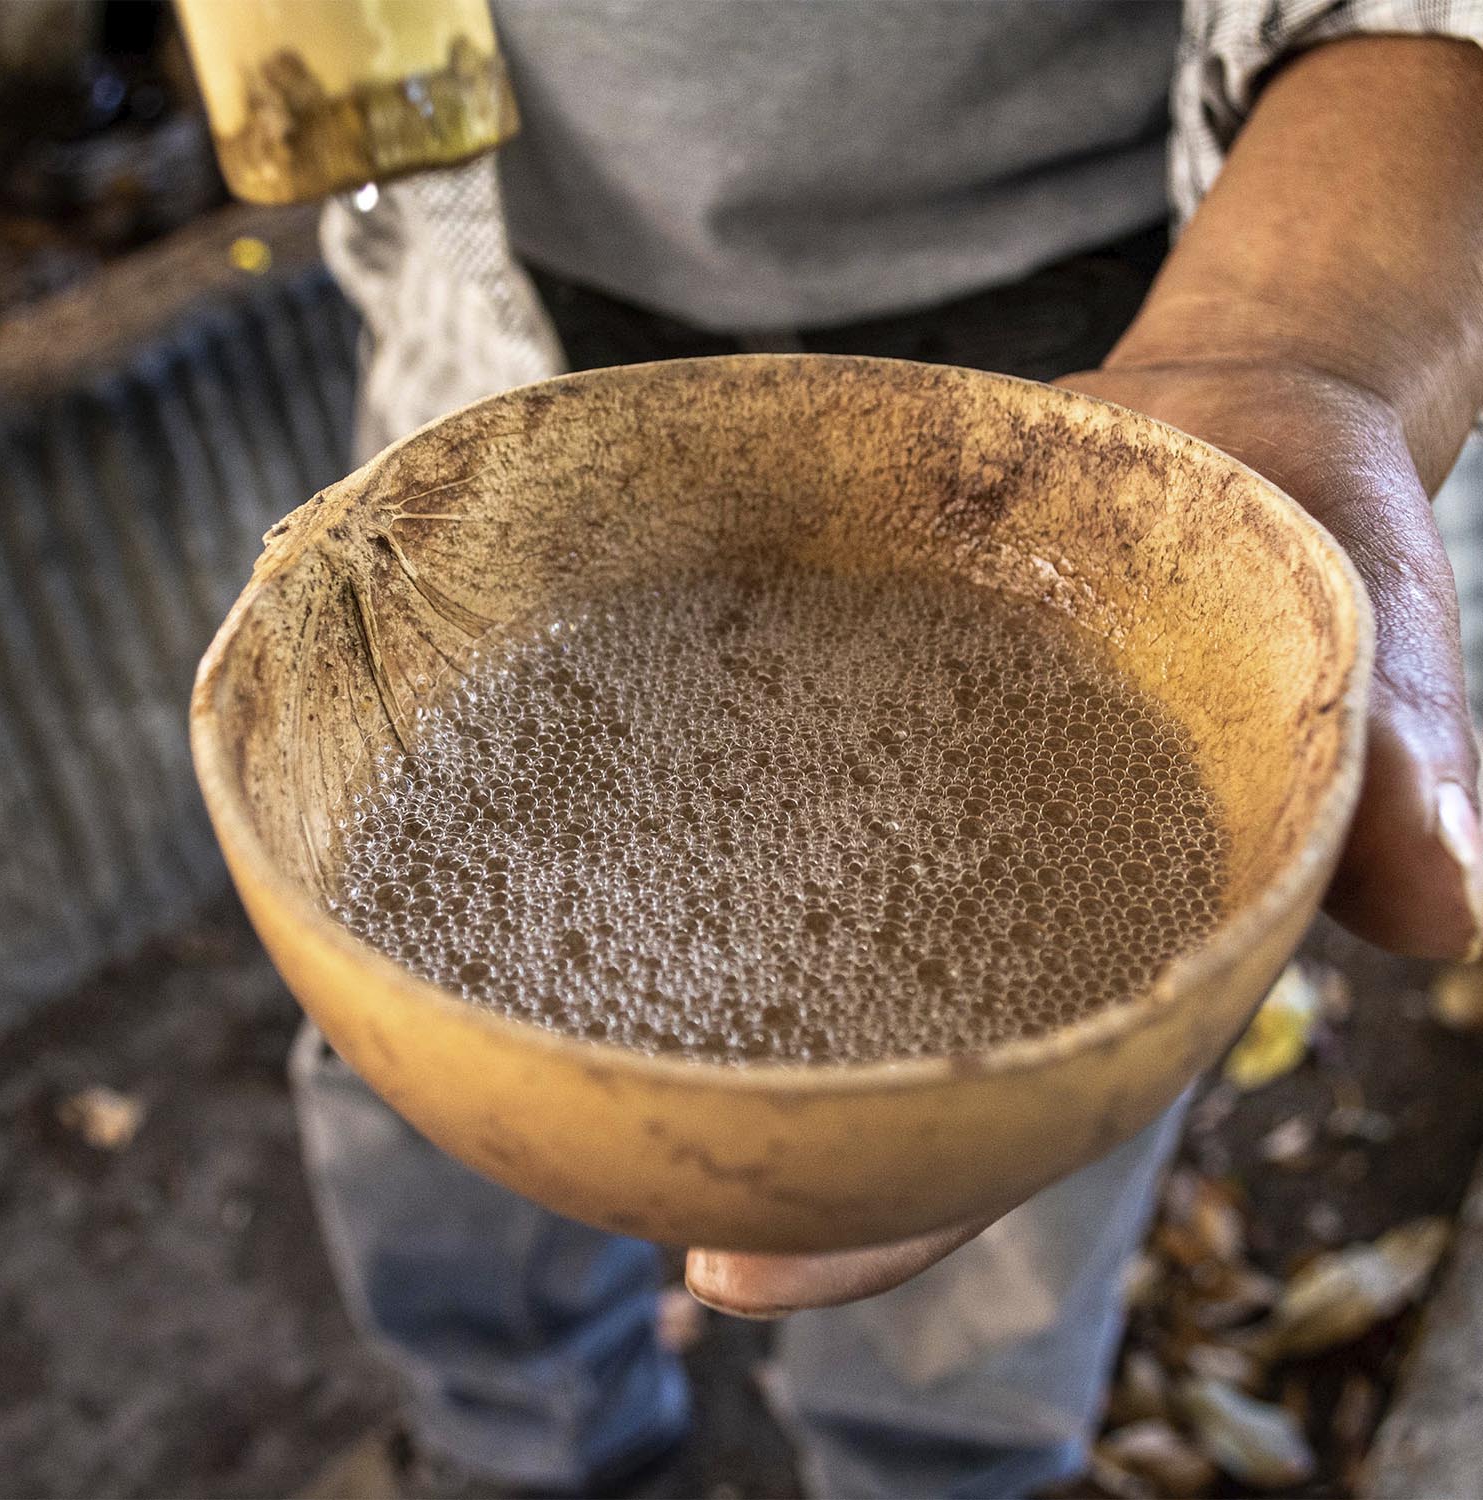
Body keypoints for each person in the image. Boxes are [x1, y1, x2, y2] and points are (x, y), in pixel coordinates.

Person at [293, 4, 1483, 1495]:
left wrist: (1301, 338)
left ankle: (938, 1467)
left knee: (1003, 1180)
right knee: (401, 1065)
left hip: (1124, 322)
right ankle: (507, 1443)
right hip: (503, 301)